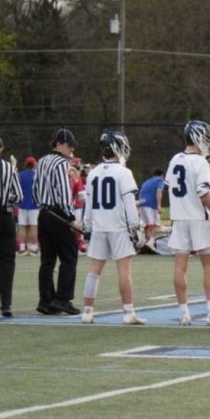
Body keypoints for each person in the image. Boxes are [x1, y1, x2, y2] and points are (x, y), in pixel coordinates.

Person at [166, 120, 210, 326]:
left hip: (179, 218)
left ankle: (184, 313)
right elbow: (204, 195)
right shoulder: (200, 162)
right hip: (197, 218)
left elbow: (169, 187)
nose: (206, 143)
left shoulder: (175, 159)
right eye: (204, 138)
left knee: (180, 266)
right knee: (209, 265)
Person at [80, 131, 147, 325]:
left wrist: (87, 226)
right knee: (124, 271)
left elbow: (89, 205)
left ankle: (87, 311)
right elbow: (129, 204)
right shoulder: (124, 173)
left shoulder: (93, 173)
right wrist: (136, 228)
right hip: (118, 227)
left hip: (100, 226)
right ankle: (128, 312)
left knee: (94, 270)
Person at [34, 128, 82, 315]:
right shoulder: (62, 163)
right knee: (70, 257)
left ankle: (45, 300)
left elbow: (37, 188)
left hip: (43, 213)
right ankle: (63, 299)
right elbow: (63, 195)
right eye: (70, 145)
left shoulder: (42, 161)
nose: (71, 149)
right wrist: (71, 218)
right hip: (58, 214)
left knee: (47, 260)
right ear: (60, 143)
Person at [0, 137, 23, 316]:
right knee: (7, 262)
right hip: (5, 217)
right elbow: (19, 196)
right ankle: (6, 304)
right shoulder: (9, 168)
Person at [16, 156, 39, 255]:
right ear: (34, 164)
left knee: (22, 227)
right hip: (34, 204)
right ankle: (33, 248)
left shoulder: (20, 175)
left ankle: (22, 248)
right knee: (33, 227)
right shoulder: (36, 175)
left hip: (22, 204)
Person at [138, 169, 165, 240]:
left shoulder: (146, 182)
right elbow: (159, 191)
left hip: (142, 204)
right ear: (162, 176)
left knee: (147, 225)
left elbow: (140, 193)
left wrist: (138, 206)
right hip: (151, 205)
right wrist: (159, 205)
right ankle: (153, 243)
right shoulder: (160, 180)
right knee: (154, 225)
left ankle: (147, 242)